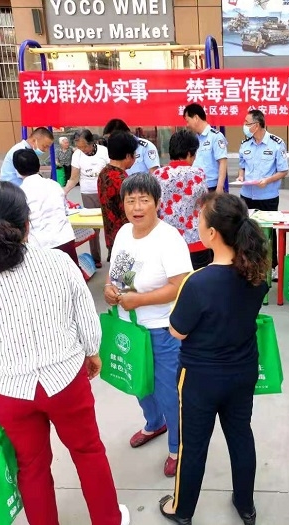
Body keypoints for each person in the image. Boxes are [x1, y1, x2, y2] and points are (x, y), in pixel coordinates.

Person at [0, 181, 129, 525]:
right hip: (66, 381)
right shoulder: (59, 263)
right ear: (27, 224)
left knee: (31, 467)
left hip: (10, 391)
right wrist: (92, 352)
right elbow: (85, 319)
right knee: (89, 451)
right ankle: (108, 519)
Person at [158, 193, 269, 525]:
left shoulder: (197, 282)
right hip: (243, 371)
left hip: (200, 379)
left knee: (193, 445)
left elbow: (177, 331)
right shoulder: (256, 273)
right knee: (241, 436)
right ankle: (246, 506)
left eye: (200, 220)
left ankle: (182, 510)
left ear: (211, 233)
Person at [104, 174, 193, 477]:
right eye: (131, 201)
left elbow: (180, 286)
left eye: (144, 200)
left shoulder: (169, 238)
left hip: (162, 330)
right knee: (138, 383)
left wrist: (139, 300)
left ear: (157, 202)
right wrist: (109, 289)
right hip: (130, 328)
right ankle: (155, 423)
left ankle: (178, 446)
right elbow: (116, 274)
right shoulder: (123, 233)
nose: (137, 207)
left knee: (169, 392)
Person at [237, 109, 289, 278]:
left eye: (247, 123)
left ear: (257, 125)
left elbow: (283, 171)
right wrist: (241, 176)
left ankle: (272, 266)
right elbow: (242, 165)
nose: (244, 126)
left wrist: (268, 180)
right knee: (246, 230)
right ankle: (249, 264)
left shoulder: (276, 143)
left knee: (268, 232)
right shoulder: (245, 144)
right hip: (247, 195)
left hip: (267, 196)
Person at [154, 129, 211, 269]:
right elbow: (205, 204)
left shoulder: (157, 175)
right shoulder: (198, 174)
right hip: (195, 241)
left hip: (167, 242)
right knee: (198, 279)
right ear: (190, 153)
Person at [14, 149, 78, 265]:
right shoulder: (54, 185)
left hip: (40, 245)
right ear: (38, 165)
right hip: (65, 239)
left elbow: (22, 223)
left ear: (17, 170)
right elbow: (65, 209)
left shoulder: (20, 193)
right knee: (72, 274)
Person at [64, 129, 110, 267]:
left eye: (84, 146)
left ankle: (112, 254)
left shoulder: (103, 151)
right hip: (87, 192)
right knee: (93, 227)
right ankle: (96, 259)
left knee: (109, 224)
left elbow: (111, 171)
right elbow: (74, 178)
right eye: (79, 147)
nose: (82, 150)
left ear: (92, 142)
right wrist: (63, 192)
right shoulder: (77, 155)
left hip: (105, 192)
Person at [98, 131, 137, 262]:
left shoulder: (103, 172)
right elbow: (128, 213)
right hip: (126, 239)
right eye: (134, 154)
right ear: (128, 155)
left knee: (117, 272)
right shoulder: (122, 180)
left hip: (111, 237)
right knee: (129, 273)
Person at [182, 104, 229, 192]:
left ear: (196, 118)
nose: (187, 125)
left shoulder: (216, 136)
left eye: (188, 121)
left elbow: (222, 162)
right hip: (195, 187)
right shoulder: (193, 139)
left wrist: (219, 188)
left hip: (211, 188)